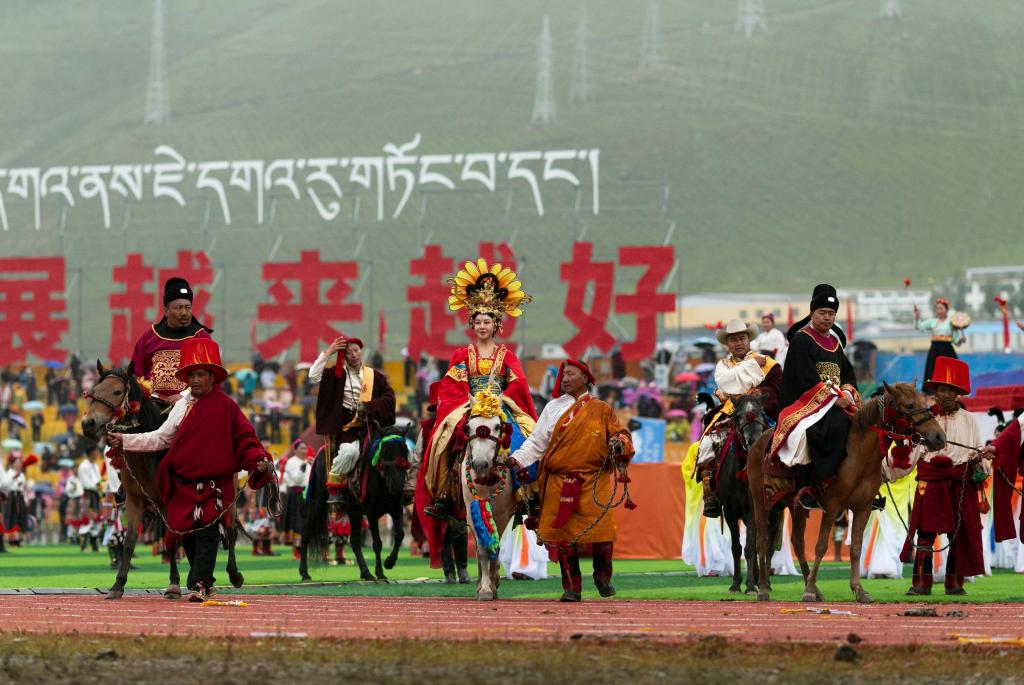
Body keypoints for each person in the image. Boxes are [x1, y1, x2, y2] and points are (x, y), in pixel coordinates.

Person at [108, 337, 275, 601]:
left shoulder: (228, 406)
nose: (195, 380)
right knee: (185, 532)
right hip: (181, 484)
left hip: (213, 484)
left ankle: (198, 582)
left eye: (201, 375)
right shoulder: (180, 408)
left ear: (212, 377)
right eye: (191, 375)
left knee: (207, 531)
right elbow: (160, 438)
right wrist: (125, 440)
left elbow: (245, 438)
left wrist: (258, 459)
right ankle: (205, 582)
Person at [416, 258, 538, 570]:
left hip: (500, 408)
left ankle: (527, 494)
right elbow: (452, 385)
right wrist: (469, 401)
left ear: (498, 324)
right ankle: (443, 493)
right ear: (472, 325)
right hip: (468, 407)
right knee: (444, 440)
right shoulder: (462, 355)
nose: (482, 326)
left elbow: (519, 385)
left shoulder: (506, 355)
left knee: (525, 437)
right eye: (478, 321)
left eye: (487, 321)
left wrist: (500, 400)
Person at [509, 359, 635, 602]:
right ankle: (571, 587)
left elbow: (620, 434)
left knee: (602, 535)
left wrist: (619, 443)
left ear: (585, 378)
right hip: (558, 480)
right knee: (563, 538)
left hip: (593, 481)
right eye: (563, 375)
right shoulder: (553, 407)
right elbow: (537, 442)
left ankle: (602, 576)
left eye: (570, 374)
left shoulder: (601, 409)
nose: (564, 379)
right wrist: (517, 459)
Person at [769, 284, 859, 510]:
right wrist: (832, 399)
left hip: (835, 400)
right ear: (812, 313)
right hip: (805, 403)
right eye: (822, 313)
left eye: (831, 314)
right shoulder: (802, 339)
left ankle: (861, 485)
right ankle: (811, 484)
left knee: (863, 426)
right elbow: (804, 377)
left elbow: (847, 371)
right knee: (829, 426)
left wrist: (846, 392)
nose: (827, 318)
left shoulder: (835, 342)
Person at [901, 358, 987, 595]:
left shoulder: (970, 420)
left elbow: (979, 448)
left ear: (958, 393)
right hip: (930, 482)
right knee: (925, 533)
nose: (945, 394)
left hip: (959, 482)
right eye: (941, 389)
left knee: (958, 533)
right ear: (935, 392)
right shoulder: (925, 419)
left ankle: (954, 584)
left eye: (950, 390)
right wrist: (891, 468)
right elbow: (913, 453)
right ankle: (920, 584)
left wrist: (980, 461)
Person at [695, 319, 782, 518]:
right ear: (728, 344)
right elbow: (726, 384)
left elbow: (778, 387)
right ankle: (711, 496)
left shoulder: (768, 363)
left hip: (762, 411)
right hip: (731, 411)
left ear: (749, 340)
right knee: (707, 444)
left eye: (742, 338)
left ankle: (788, 486)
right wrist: (751, 365)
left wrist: (762, 394)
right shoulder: (723, 366)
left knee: (785, 440)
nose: (738, 342)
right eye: (733, 339)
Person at [309, 336, 396, 503]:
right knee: (350, 452)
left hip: (372, 425)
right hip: (348, 427)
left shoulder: (375, 376)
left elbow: (389, 398)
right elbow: (313, 376)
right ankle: (335, 486)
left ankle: (400, 490)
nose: (354, 355)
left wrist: (370, 406)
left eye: (356, 351)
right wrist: (329, 352)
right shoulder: (337, 374)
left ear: (361, 351)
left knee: (395, 447)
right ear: (344, 356)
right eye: (349, 353)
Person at [130, 277, 213, 404]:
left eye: (187, 307)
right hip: (153, 409)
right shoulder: (149, 337)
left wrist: (186, 396)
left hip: (191, 408)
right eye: (178, 308)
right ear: (166, 311)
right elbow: (135, 375)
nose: (184, 313)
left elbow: (212, 379)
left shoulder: (201, 338)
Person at [913, 298, 965, 393]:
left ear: (946, 310)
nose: (939, 311)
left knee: (949, 374)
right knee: (932, 373)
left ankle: (951, 392)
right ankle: (932, 393)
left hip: (947, 350)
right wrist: (916, 316)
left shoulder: (951, 323)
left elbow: (956, 340)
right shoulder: (932, 321)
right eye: (937, 308)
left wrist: (961, 339)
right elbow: (918, 326)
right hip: (935, 350)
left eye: (941, 308)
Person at [281, 439, 313, 559]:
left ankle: (305, 549)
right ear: (295, 450)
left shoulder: (308, 462)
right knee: (297, 523)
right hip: (295, 495)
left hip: (306, 495)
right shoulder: (291, 462)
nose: (304, 451)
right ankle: (297, 549)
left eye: (305, 448)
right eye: (301, 448)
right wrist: (303, 468)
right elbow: (296, 480)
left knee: (306, 522)